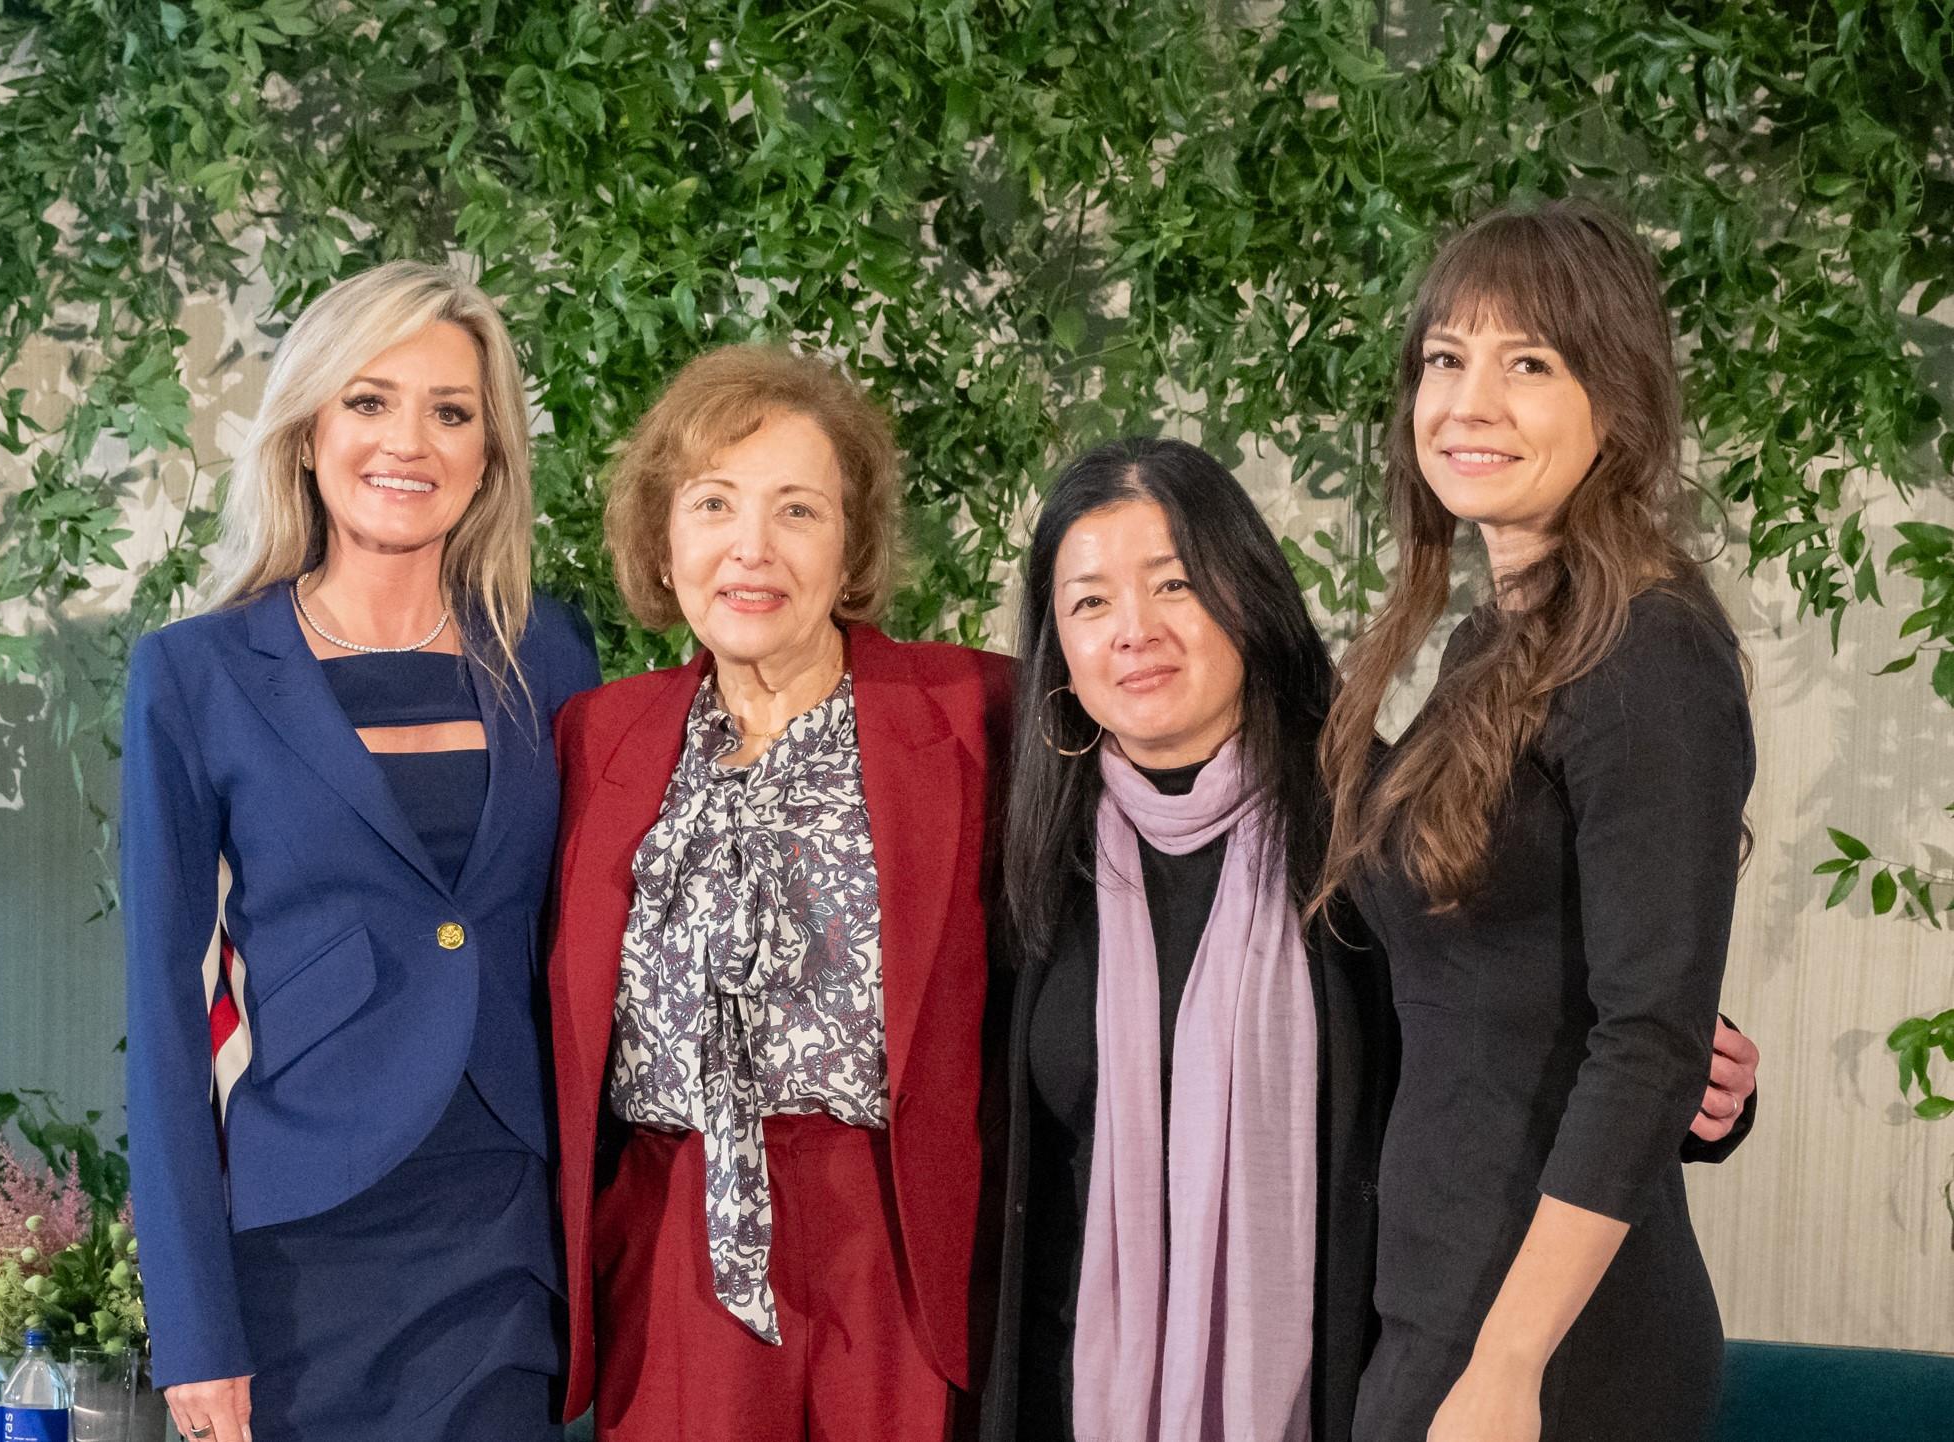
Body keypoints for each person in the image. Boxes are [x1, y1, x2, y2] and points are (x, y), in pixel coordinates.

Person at [978, 436, 1758, 1442]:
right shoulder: (1026, 852)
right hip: (1076, 1395)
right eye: (1088, 601)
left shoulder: (1380, 825)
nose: (1134, 630)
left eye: (1173, 584)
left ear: (1246, 599)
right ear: (1058, 650)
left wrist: (1701, 1073)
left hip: (1347, 1384)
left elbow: (1531, 1009)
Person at [121, 261, 599, 1442]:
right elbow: (166, 1012)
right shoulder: (196, 673)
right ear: (308, 429)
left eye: (452, 410)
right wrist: (193, 1326)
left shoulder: (551, 654)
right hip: (295, 1251)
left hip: (501, 1221)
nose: (411, 441)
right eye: (370, 400)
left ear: (489, 451)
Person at [1318, 200, 1754, 1442]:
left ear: (1614, 401)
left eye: (1528, 364)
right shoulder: (1492, 643)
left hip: (1551, 1344)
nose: (1468, 402)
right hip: (1441, 1292)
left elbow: (1646, 1040)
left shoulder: (1647, 650)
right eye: (1445, 360)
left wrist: (1508, 1366)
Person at [545, 345, 1013, 1439]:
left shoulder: (974, 715)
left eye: (798, 509)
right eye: (713, 504)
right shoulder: (594, 738)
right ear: (665, 539)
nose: (750, 548)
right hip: (672, 1235)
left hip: (895, 1237)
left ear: (849, 545)